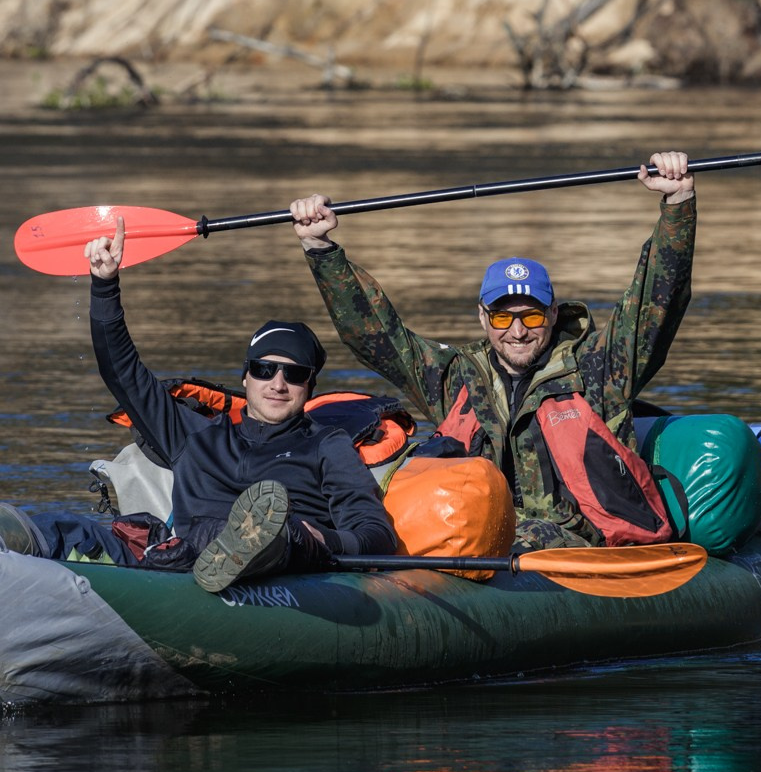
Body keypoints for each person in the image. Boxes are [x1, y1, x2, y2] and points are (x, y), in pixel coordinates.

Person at [0, 210, 401, 598]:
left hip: (282, 563)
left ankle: (253, 544)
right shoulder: (198, 433)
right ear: (245, 377)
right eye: (265, 369)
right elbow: (122, 371)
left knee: (263, 533)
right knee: (63, 528)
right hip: (176, 552)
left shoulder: (327, 445)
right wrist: (104, 285)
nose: (277, 382)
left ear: (310, 386)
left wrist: (312, 538)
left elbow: (374, 535)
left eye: (294, 374)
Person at [289, 149, 697, 551]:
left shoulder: (600, 368)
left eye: (531, 317)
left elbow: (656, 304)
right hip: (479, 537)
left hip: (577, 545)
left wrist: (676, 204)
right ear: (483, 318)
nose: (517, 331)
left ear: (554, 315)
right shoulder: (457, 377)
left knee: (512, 535)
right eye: (503, 318)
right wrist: (320, 249)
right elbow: (375, 336)